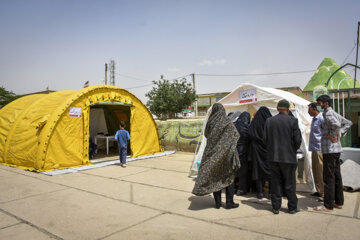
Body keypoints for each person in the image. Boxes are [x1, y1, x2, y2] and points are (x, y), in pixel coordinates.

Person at [192, 103, 241, 209]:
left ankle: (218, 203)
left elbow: (206, 134)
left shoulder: (210, 122)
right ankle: (229, 202)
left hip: (213, 154)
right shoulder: (227, 122)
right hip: (226, 155)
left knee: (215, 178)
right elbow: (236, 134)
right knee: (228, 178)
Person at [314, 95, 352, 212]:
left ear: (325, 103)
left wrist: (333, 135)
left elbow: (335, 125)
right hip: (336, 150)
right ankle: (338, 202)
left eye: (319, 103)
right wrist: (340, 133)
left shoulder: (327, 113)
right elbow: (348, 123)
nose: (318, 105)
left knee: (328, 177)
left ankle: (328, 205)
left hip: (329, 150)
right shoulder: (334, 113)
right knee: (336, 176)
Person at [264, 99, 302, 214]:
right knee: (290, 183)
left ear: (277, 109)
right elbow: (297, 140)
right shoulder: (293, 121)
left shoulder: (269, 121)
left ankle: (276, 207)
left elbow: (264, 139)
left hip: (273, 158)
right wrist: (292, 150)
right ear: (288, 109)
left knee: (275, 183)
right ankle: (292, 207)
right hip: (288, 158)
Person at [248, 106, 272, 199]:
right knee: (270, 171)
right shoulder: (270, 121)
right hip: (268, 150)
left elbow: (250, 133)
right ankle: (270, 193)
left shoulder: (254, 123)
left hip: (256, 150)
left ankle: (260, 193)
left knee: (258, 171)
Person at [308, 102, 325, 201]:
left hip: (320, 149)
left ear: (315, 109)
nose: (308, 112)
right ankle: (319, 191)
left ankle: (324, 192)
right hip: (314, 148)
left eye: (309, 109)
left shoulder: (321, 119)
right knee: (315, 171)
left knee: (321, 171)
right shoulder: (314, 119)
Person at [234, 111, 252, 196]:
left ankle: (234, 188)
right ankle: (242, 189)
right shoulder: (248, 127)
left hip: (235, 151)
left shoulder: (235, 125)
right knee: (243, 172)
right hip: (244, 151)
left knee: (235, 171)